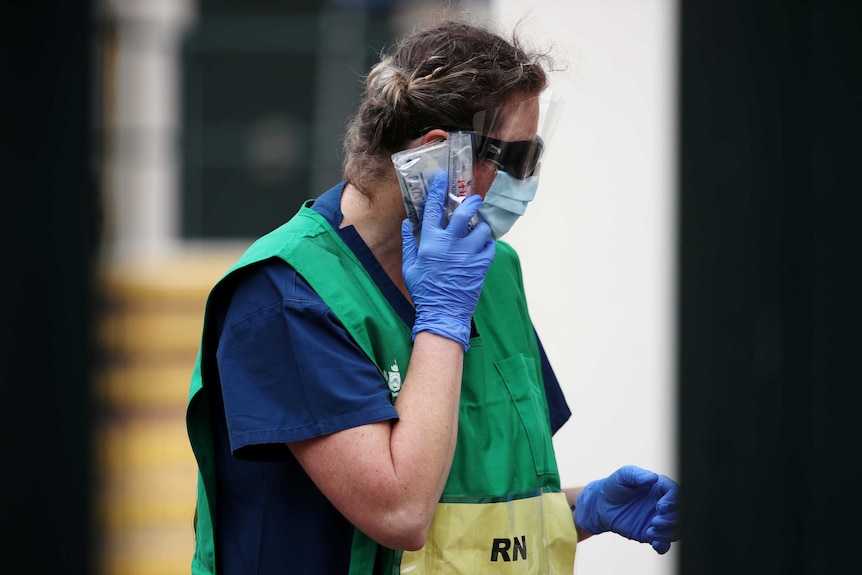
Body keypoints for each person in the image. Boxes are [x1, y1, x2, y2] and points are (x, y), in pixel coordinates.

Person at [186, 19, 680, 575]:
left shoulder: (491, 272)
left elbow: (465, 514)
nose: (527, 181)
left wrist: (579, 510)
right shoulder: (285, 295)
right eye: (516, 159)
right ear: (438, 155)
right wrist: (442, 318)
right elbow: (401, 513)